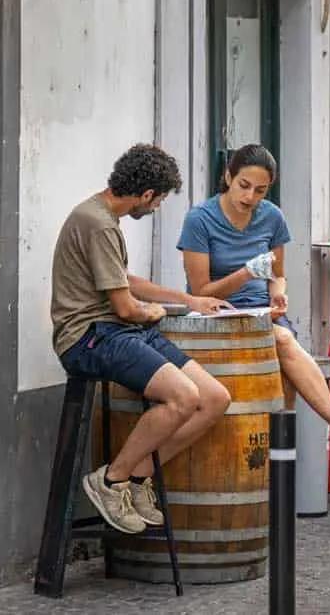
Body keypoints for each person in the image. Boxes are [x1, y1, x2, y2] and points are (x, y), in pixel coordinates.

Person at [52, 144, 232, 534]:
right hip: (89, 336)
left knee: (215, 398)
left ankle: (137, 479)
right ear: (147, 194)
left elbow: (126, 281)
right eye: (160, 199)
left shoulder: (103, 217)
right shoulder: (97, 223)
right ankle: (111, 480)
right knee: (183, 397)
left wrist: (186, 299)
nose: (156, 208)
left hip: (118, 331)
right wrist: (156, 312)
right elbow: (127, 307)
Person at [178, 144, 330, 458]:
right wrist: (245, 274)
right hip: (216, 314)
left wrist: (279, 294)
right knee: (283, 340)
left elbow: (277, 274)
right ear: (228, 176)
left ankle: (279, 469)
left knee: (282, 357)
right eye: (244, 186)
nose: (250, 197)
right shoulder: (199, 219)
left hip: (262, 311)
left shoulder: (271, 216)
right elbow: (200, 290)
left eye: (260, 190)